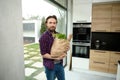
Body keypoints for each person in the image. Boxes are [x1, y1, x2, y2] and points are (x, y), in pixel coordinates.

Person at [39, 15, 69, 80]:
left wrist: (66, 48)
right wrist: (56, 57)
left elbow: (64, 47)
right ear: (46, 24)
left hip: (60, 64)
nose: (52, 25)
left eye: (54, 23)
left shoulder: (60, 35)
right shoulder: (43, 37)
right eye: (50, 23)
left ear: (56, 24)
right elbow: (43, 54)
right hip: (50, 66)